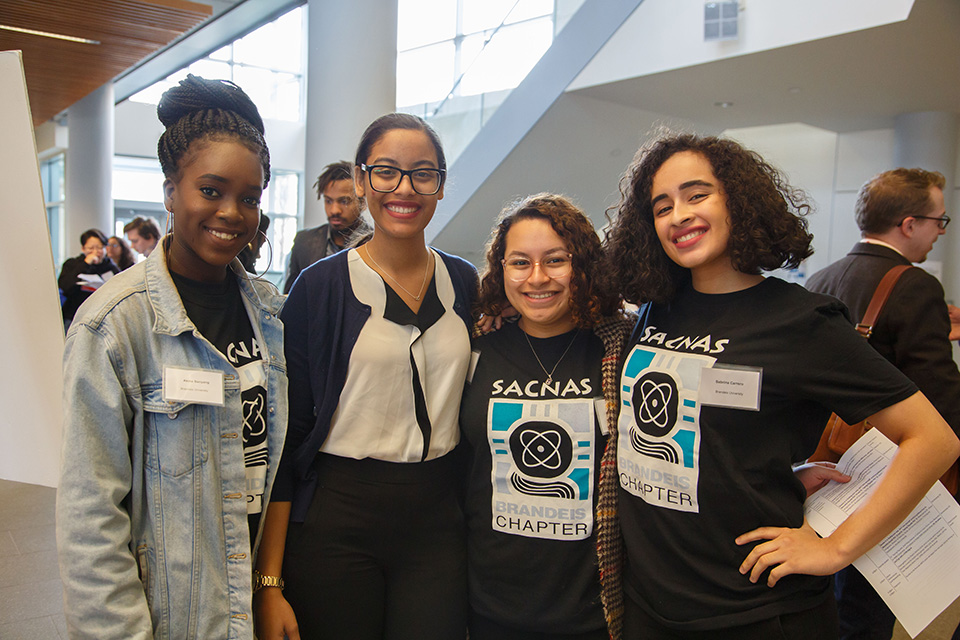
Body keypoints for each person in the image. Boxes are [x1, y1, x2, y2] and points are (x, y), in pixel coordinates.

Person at [603, 133, 959, 639]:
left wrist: (837, 547)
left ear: (738, 200)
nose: (678, 214)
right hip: (651, 602)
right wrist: (779, 469)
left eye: (697, 194)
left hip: (753, 610)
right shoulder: (659, 310)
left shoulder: (800, 321)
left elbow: (933, 438)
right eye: (662, 206)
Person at [56, 75, 287, 639]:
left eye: (250, 197)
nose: (233, 212)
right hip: (174, 614)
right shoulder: (114, 326)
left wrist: (268, 585)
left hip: (255, 601)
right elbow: (91, 521)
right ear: (169, 193)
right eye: (211, 190)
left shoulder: (271, 315)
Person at [254, 113, 477, 640]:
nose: (404, 188)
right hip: (340, 514)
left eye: (423, 173)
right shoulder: (320, 287)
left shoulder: (465, 281)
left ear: (440, 186)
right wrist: (269, 582)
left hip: (437, 515)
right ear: (360, 181)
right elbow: (289, 437)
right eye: (386, 171)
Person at [463, 193, 633, 640]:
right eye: (520, 263)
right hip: (486, 606)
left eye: (555, 260)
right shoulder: (473, 346)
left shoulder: (621, 348)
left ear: (582, 266)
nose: (537, 278)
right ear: (501, 269)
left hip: (593, 613)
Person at [806, 168, 960, 640]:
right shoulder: (914, 285)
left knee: (837, 593)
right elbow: (939, 391)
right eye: (940, 220)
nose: (939, 232)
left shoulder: (821, 279)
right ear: (909, 224)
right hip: (886, 470)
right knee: (869, 606)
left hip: (826, 462)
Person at [282, 159, 372, 293]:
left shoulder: (376, 243)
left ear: (363, 203)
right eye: (328, 201)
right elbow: (290, 298)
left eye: (344, 201)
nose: (334, 210)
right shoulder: (304, 242)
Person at [57, 228, 119, 329]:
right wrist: (86, 264)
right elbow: (64, 286)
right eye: (90, 248)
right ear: (83, 248)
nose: (95, 252)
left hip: (102, 318)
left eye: (99, 248)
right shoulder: (72, 264)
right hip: (74, 316)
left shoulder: (111, 268)